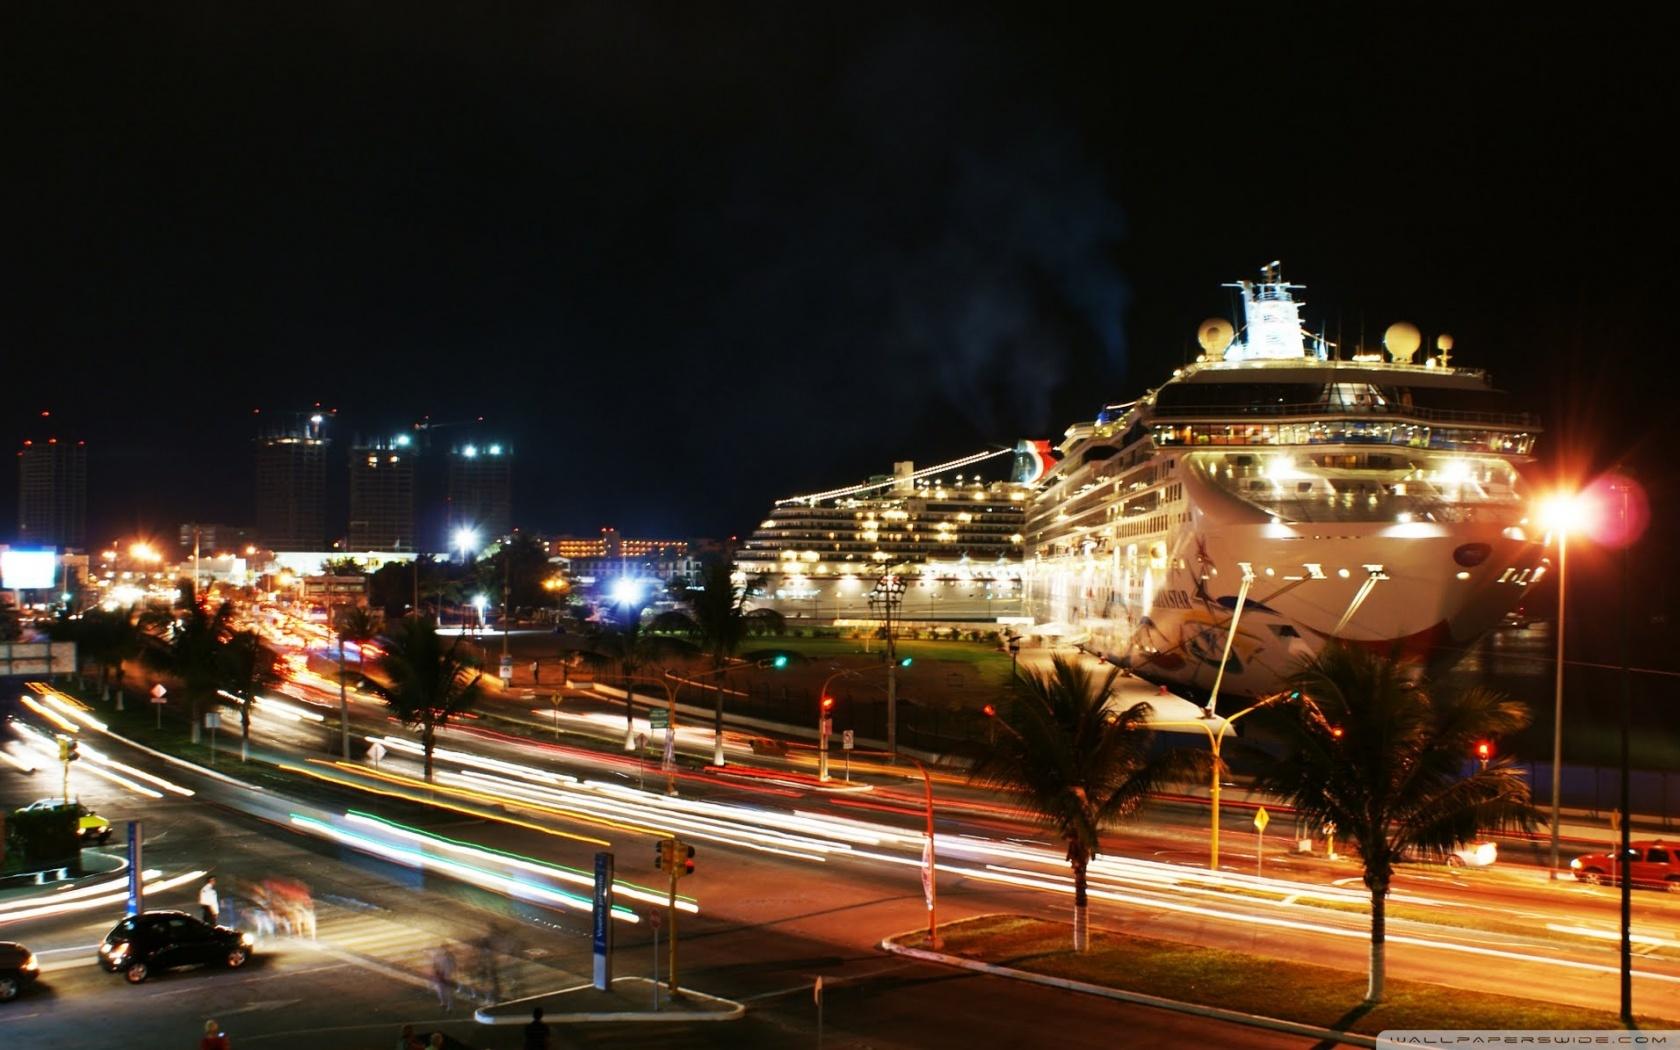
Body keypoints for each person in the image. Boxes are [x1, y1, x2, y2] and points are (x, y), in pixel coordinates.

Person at [428, 944, 456, 1012]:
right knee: (440, 991)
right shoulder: (437, 956)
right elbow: (434, 965)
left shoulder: (450, 957)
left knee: (448, 992)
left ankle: (450, 1007)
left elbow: (452, 966)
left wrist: (448, 973)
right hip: (439, 976)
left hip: (446, 976)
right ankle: (443, 1003)